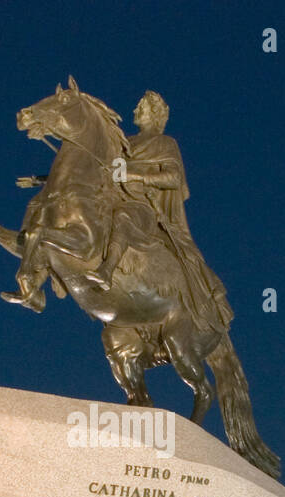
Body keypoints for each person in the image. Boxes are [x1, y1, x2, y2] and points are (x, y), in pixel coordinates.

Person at [86, 91, 232, 333]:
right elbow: (99, 173)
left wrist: (134, 175)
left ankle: (107, 270)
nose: (134, 112)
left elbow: (173, 177)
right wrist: (47, 180)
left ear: (154, 115)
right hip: (114, 200)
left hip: (145, 208)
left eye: (140, 108)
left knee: (123, 217)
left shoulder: (165, 143)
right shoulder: (125, 143)